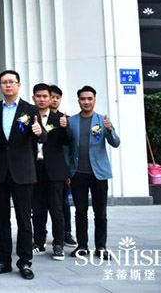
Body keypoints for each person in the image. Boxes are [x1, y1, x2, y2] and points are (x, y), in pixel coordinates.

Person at [0, 70, 45, 280]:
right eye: (4, 82)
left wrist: (39, 132)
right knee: (1, 219)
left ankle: (25, 261)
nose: (8, 85)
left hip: (23, 171)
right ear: (0, 86)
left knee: (24, 219)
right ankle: (3, 260)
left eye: (12, 82)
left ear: (19, 85)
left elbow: (43, 136)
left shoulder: (30, 109)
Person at [68, 86, 120, 260]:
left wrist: (110, 129)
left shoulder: (102, 120)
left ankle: (101, 247)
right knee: (80, 212)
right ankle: (82, 246)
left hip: (99, 173)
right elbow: (67, 148)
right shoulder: (72, 121)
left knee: (100, 213)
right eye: (83, 99)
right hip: (78, 173)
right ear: (78, 101)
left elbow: (115, 143)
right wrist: (67, 172)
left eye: (89, 99)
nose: (86, 102)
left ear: (94, 100)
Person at [30, 83, 71, 261]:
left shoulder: (59, 118)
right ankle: (39, 242)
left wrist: (65, 127)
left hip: (55, 170)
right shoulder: (28, 117)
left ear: (50, 98)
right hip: (34, 169)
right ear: (34, 98)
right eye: (38, 96)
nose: (42, 99)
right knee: (37, 209)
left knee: (56, 209)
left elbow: (67, 141)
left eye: (45, 96)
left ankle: (58, 244)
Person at [49, 85, 78, 249]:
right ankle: (40, 236)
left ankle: (66, 233)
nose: (54, 100)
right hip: (44, 168)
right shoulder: (39, 117)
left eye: (57, 97)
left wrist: (69, 170)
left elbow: (71, 146)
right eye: (52, 96)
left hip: (62, 169)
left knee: (63, 204)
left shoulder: (66, 119)